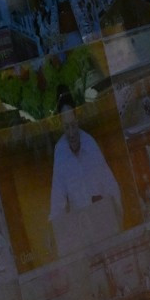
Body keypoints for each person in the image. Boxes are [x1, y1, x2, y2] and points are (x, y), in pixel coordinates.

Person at [49, 104, 121, 247]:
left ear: (78, 122)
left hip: (105, 223)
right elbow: (58, 200)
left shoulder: (90, 144)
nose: (71, 133)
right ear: (62, 128)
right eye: (66, 127)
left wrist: (117, 214)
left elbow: (110, 185)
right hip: (83, 232)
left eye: (73, 126)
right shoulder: (61, 153)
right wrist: (55, 232)